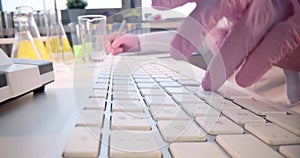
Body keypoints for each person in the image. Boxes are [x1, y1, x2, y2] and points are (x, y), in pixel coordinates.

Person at [107, 0, 300, 103]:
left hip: (278, 110)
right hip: (228, 100)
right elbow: (194, 37)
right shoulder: (232, 7)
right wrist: (138, 42)